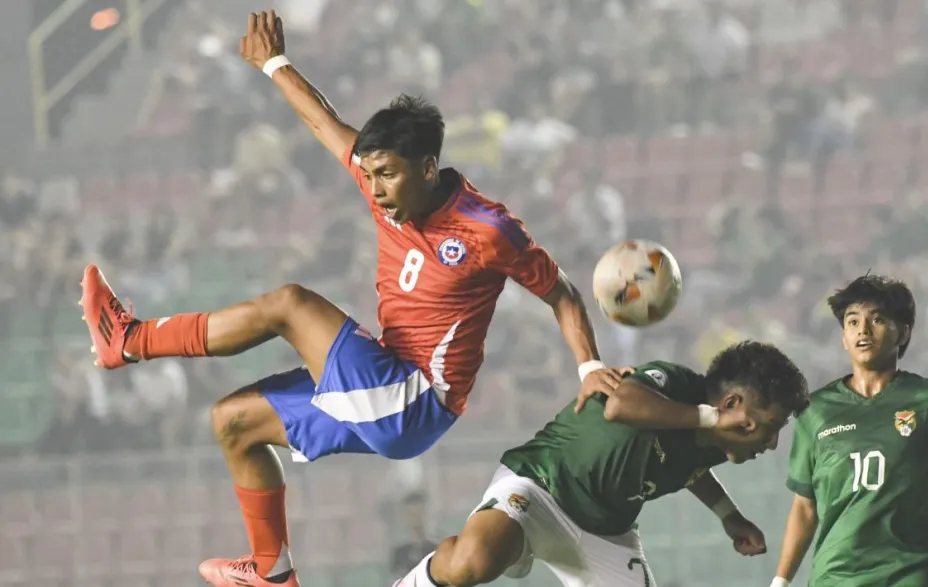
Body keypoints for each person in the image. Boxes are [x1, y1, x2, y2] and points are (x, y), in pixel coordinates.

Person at [79, 10, 625, 587]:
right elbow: (323, 122)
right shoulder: (382, 182)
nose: (373, 189)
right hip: (384, 384)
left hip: (418, 396)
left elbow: (561, 292)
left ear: (428, 167)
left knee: (291, 303)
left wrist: (588, 367)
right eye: (366, 174)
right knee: (233, 422)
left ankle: (131, 340)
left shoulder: (488, 229)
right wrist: (274, 63)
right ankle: (272, 572)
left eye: (386, 175)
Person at [396, 341, 811, 586]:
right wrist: (710, 416)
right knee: (475, 562)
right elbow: (620, 405)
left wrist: (728, 516)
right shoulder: (677, 385)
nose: (771, 443)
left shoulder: (716, 441)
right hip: (539, 488)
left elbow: (690, 468)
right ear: (731, 405)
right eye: (768, 426)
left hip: (608, 533)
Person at [770, 275, 928, 587]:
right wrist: (780, 581)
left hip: (909, 574)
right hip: (834, 579)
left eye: (877, 319)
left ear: (903, 332)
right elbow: (805, 508)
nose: (863, 330)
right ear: (843, 337)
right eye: (852, 321)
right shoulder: (814, 411)